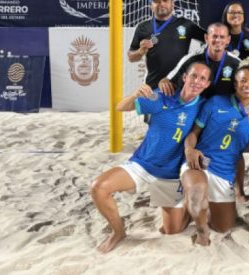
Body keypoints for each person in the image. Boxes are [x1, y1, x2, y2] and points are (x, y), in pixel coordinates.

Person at [90, 62, 211, 253]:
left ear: (207, 84)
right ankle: (118, 232)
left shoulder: (203, 108)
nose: (197, 81)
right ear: (184, 78)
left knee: (172, 231)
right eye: (193, 76)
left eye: (202, 79)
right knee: (99, 188)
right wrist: (135, 95)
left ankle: (185, 205)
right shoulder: (163, 96)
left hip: (170, 174)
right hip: (143, 164)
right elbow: (120, 107)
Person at [180, 65, 249, 246]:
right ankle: (202, 233)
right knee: (196, 194)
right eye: (243, 80)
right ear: (235, 84)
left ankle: (201, 204)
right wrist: (190, 150)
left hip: (225, 173)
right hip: (203, 160)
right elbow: (194, 132)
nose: (247, 85)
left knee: (224, 227)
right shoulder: (216, 102)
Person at [128, 0, 204, 89]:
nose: (161, 4)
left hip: (180, 85)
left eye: (165, 0)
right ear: (151, 6)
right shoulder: (143, 27)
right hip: (153, 86)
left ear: (172, 4)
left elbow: (210, 39)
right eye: (157, 1)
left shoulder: (186, 24)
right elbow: (131, 57)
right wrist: (140, 51)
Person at [159, 22, 240, 99]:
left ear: (228, 40)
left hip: (221, 109)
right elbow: (167, 80)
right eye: (214, 36)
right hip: (195, 107)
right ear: (206, 38)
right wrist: (163, 83)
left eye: (222, 37)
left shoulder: (237, 63)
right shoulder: (191, 59)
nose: (218, 40)